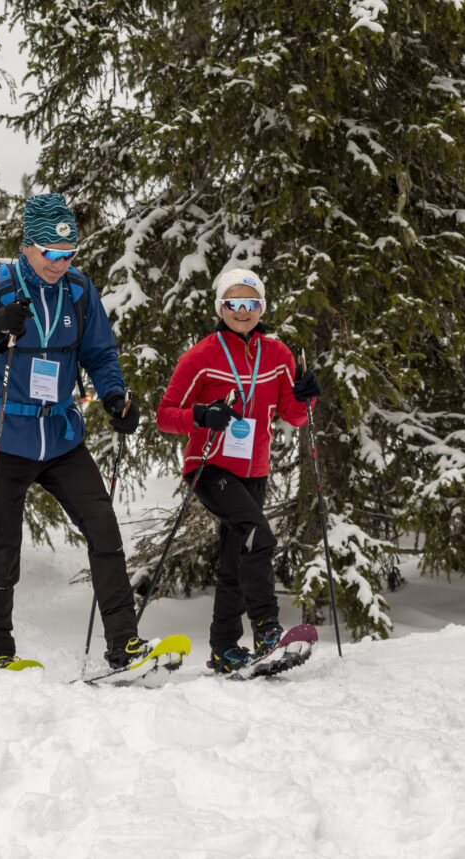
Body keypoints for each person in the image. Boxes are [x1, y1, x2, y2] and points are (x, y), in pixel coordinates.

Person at [0, 193, 149, 670]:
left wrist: (114, 397)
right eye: (51, 253)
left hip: (61, 436)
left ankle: (123, 644)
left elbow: (100, 354)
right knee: (2, 548)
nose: (60, 264)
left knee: (103, 526)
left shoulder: (79, 291)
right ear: (27, 247)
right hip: (2, 434)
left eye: (69, 254)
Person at [156, 267, 322, 673]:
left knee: (236, 557)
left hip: (255, 470)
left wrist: (307, 397)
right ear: (221, 307)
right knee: (258, 535)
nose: (243, 310)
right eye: (234, 303)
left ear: (261, 306)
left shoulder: (279, 354)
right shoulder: (201, 356)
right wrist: (202, 415)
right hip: (209, 466)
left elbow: (294, 416)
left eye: (251, 303)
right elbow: (165, 415)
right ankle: (267, 631)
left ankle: (225, 649)